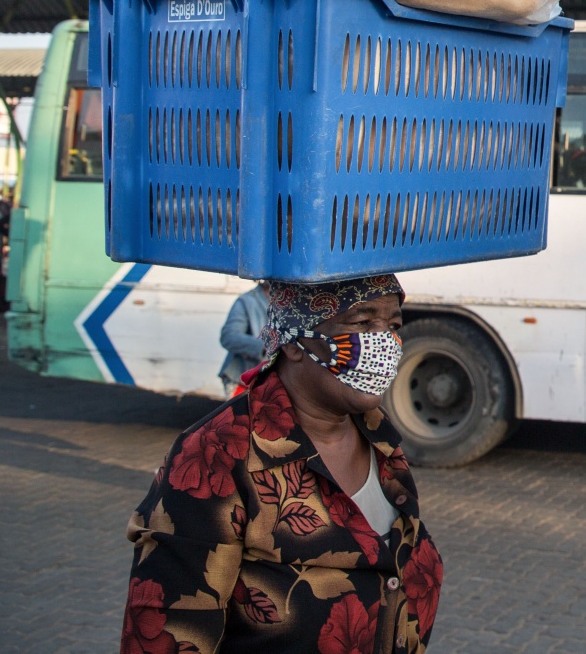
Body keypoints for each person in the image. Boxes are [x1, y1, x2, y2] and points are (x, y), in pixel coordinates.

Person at [121, 274, 443, 654]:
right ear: (295, 341)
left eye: (392, 326)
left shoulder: (380, 439)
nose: (384, 343)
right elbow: (168, 634)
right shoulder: (215, 456)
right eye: (361, 322)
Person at [217, 284, 269, 393]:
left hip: (276, 380)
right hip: (244, 379)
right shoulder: (247, 300)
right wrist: (265, 346)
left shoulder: (297, 301)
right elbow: (229, 337)